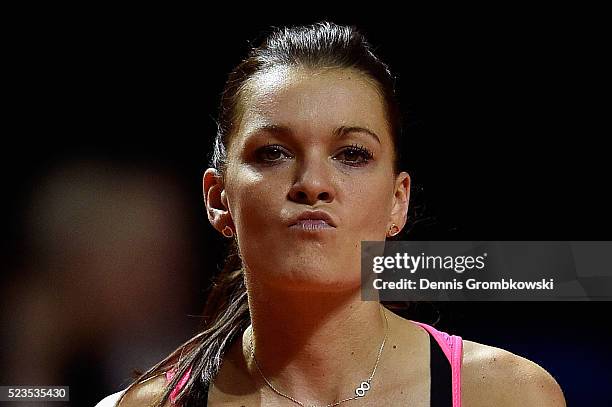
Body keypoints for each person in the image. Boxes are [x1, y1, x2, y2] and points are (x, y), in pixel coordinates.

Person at [96, 22, 566, 406]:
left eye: (352, 154)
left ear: (397, 201)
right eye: (274, 152)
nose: (313, 184)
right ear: (219, 199)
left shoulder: (508, 394)